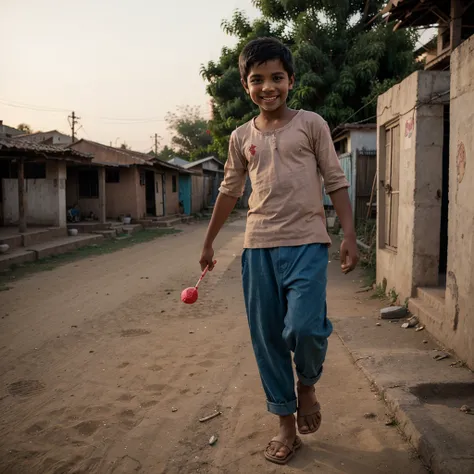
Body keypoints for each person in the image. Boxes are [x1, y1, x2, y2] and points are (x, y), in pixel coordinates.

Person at [199, 37, 358, 465]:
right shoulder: (240, 137)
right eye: (257, 80)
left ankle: (306, 384)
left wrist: (347, 235)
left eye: (276, 78)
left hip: (307, 243)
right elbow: (230, 192)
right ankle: (285, 424)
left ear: (290, 80)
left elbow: (335, 180)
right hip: (258, 249)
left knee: (305, 327)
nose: (267, 87)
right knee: (267, 339)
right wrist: (210, 240)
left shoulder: (311, 124)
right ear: (245, 85)